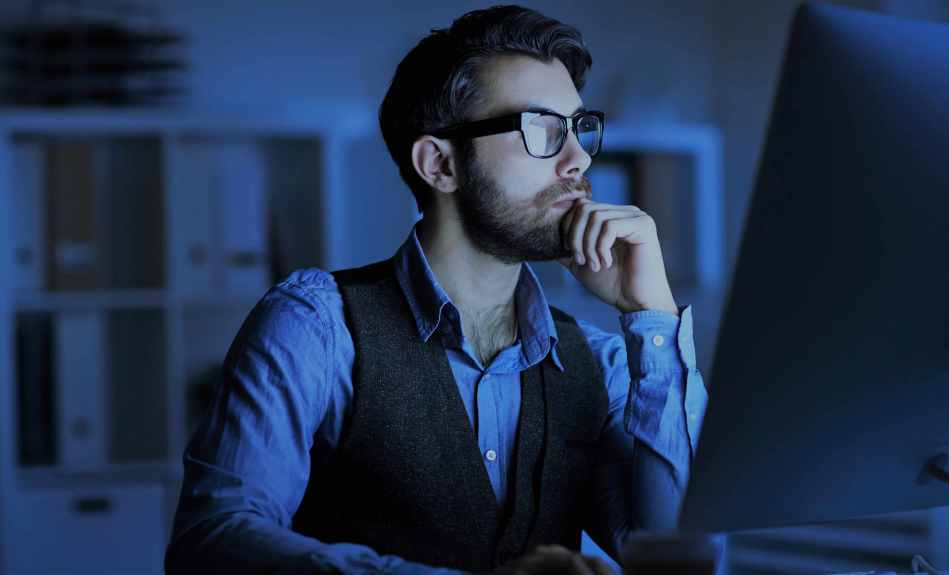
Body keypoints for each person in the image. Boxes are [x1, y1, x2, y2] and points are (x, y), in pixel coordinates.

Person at [165, 5, 707, 574]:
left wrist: (652, 315)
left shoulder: (602, 362)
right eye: (543, 130)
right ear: (439, 164)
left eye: (579, 128)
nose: (579, 159)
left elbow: (678, 552)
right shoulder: (316, 326)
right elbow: (212, 542)